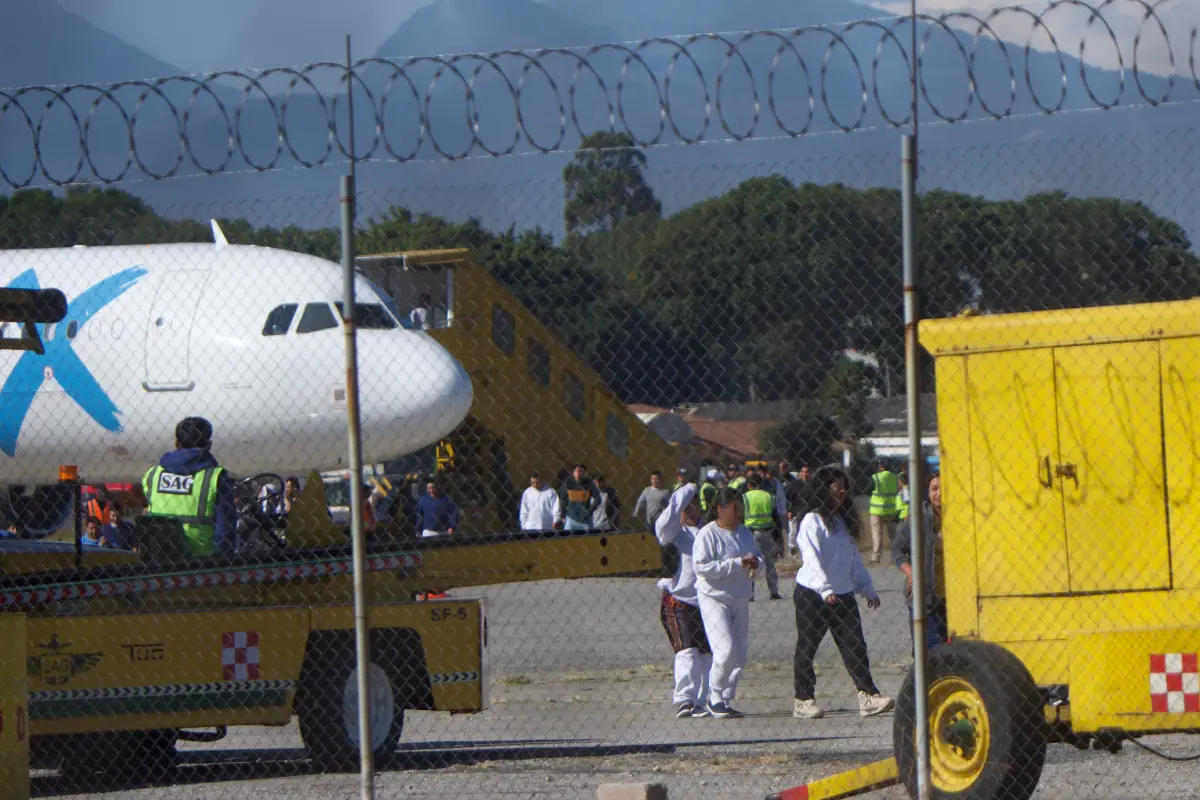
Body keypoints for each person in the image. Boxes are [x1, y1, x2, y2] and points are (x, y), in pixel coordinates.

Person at [792, 466, 894, 720]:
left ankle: (868, 696)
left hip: (843, 594)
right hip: (812, 594)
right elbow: (812, 559)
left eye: (843, 486)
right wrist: (825, 590)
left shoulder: (841, 523)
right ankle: (803, 700)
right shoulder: (811, 521)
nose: (841, 490)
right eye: (835, 485)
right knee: (808, 647)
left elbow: (853, 560)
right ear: (822, 489)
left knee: (855, 646)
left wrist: (867, 587)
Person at [693, 487, 762, 719]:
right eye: (734, 506)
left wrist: (755, 564)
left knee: (740, 655)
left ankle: (725, 698)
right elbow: (701, 567)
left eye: (740, 506)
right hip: (714, 598)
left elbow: (758, 558)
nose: (739, 511)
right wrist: (736, 563)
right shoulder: (707, 534)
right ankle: (713, 697)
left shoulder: (745, 532)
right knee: (725, 651)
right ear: (720, 508)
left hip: (740, 597)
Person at [655, 483, 712, 718]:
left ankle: (702, 700)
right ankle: (684, 699)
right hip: (677, 601)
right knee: (686, 651)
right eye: (687, 508)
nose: (692, 512)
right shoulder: (674, 532)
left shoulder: (707, 532)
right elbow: (663, 524)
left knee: (706, 654)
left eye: (695, 507)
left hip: (705, 603)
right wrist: (684, 491)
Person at [143, 416, 236, 558]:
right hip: (201, 561)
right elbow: (224, 531)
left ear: (176, 443)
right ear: (208, 445)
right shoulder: (216, 478)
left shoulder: (152, 474)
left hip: (159, 559)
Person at [892, 473, 948, 649]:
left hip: (952, 600)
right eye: (934, 489)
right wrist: (911, 573)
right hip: (925, 598)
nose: (939, 493)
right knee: (929, 651)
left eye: (944, 488)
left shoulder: (961, 518)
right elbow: (897, 549)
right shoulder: (919, 518)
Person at [742, 476, 782, 600]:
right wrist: (778, 535)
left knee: (751, 563)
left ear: (749, 485)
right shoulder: (769, 496)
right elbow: (776, 516)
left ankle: (750, 594)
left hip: (751, 533)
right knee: (770, 563)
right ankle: (774, 592)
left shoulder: (745, 497)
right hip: (768, 532)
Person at [868, 461, 901, 563]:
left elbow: (868, 489)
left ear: (880, 466)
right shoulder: (895, 477)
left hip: (876, 510)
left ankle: (876, 557)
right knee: (893, 535)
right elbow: (898, 489)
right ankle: (896, 556)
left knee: (876, 534)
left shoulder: (875, 477)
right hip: (891, 510)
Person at [558, 464, 599, 532]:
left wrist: (590, 511)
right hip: (571, 519)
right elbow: (563, 499)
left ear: (584, 473)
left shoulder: (589, 483)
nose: (578, 473)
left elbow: (598, 498)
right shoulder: (568, 482)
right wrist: (562, 515)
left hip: (585, 521)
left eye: (580, 471)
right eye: (576, 471)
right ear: (573, 472)